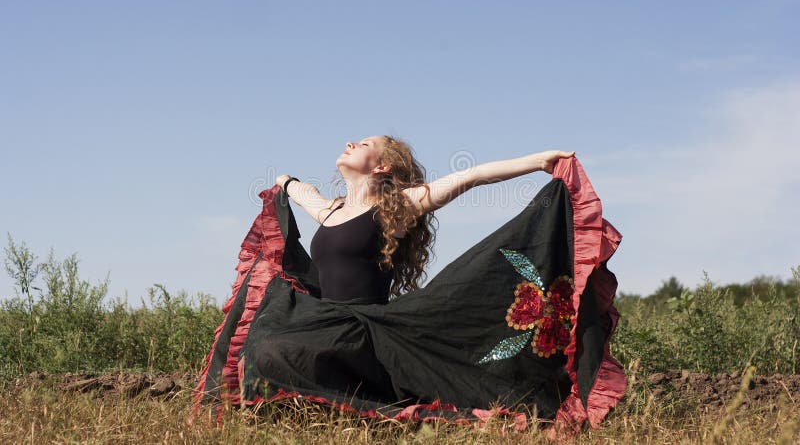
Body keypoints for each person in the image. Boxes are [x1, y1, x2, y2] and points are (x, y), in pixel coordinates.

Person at [195, 135, 625, 433]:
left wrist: (539, 160)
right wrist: (285, 183)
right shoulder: (329, 210)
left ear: (381, 166)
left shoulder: (397, 207)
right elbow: (300, 189)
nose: (349, 144)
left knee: (280, 347)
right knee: (265, 335)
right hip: (323, 319)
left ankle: (351, 409)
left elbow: (469, 176)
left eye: (362, 144)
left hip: (363, 330)